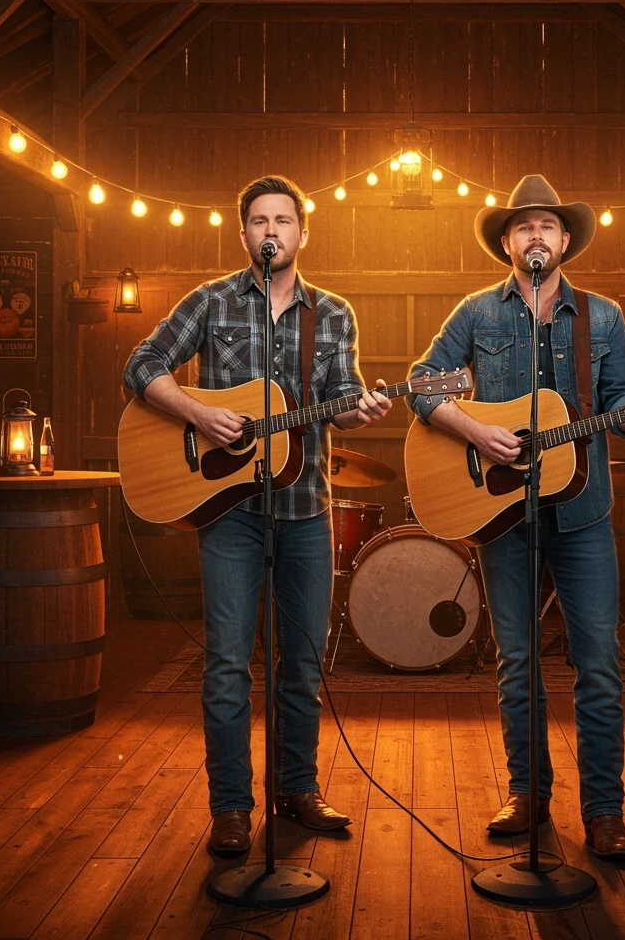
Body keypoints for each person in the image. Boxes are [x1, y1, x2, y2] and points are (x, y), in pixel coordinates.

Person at [405, 175, 625, 861]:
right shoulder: (476, 314)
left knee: (598, 664)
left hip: (584, 514)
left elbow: (620, 403)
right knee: (518, 660)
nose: (536, 236)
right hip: (502, 513)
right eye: (524, 226)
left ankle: (604, 813)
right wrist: (473, 431)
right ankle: (528, 796)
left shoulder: (604, 318)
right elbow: (420, 383)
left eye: (547, 227)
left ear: (564, 242)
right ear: (507, 242)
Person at [123, 175, 392, 856]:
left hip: (305, 510)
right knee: (226, 665)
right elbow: (142, 364)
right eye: (259, 222)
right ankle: (231, 809)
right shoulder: (210, 303)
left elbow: (344, 395)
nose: (272, 232)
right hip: (230, 513)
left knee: (300, 664)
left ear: (302, 233)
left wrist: (360, 406)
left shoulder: (333, 314)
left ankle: (296, 790)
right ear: (243, 234)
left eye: (284, 220)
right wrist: (197, 412)